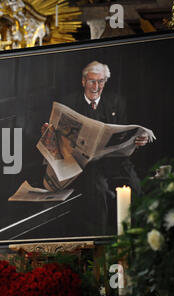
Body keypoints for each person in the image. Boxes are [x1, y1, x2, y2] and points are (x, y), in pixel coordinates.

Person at [41, 61, 149, 235]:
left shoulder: (117, 101)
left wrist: (138, 141)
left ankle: (137, 238)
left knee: (136, 187)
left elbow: (125, 134)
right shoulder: (70, 102)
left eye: (100, 82)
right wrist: (49, 131)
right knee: (98, 193)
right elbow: (58, 135)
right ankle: (101, 242)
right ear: (83, 81)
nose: (96, 87)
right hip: (87, 164)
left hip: (116, 160)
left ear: (105, 82)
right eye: (92, 81)